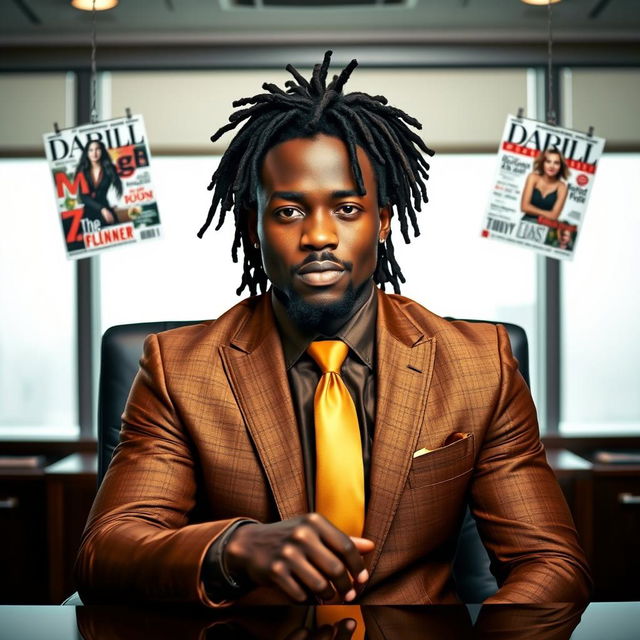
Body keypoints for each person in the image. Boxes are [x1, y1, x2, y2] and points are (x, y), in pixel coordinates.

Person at [75, 52, 591, 608]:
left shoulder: (480, 364)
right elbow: (106, 553)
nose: (319, 235)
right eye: (290, 212)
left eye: (346, 208)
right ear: (252, 226)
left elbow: (550, 562)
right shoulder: (178, 369)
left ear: (385, 220)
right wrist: (234, 548)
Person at [74, 140, 123, 226]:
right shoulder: (82, 170)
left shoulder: (109, 169)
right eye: (91, 150)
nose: (94, 153)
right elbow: (83, 197)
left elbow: (118, 187)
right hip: (89, 209)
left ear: (102, 151)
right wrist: (102, 209)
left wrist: (115, 204)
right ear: (87, 153)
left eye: (97, 149)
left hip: (106, 207)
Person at [520, 148, 569, 222]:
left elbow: (554, 216)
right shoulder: (533, 177)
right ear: (543, 163)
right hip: (525, 223)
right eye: (548, 161)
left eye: (556, 163)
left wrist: (531, 209)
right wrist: (548, 214)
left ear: (561, 166)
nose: (551, 166)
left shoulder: (562, 187)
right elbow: (524, 207)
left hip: (546, 228)